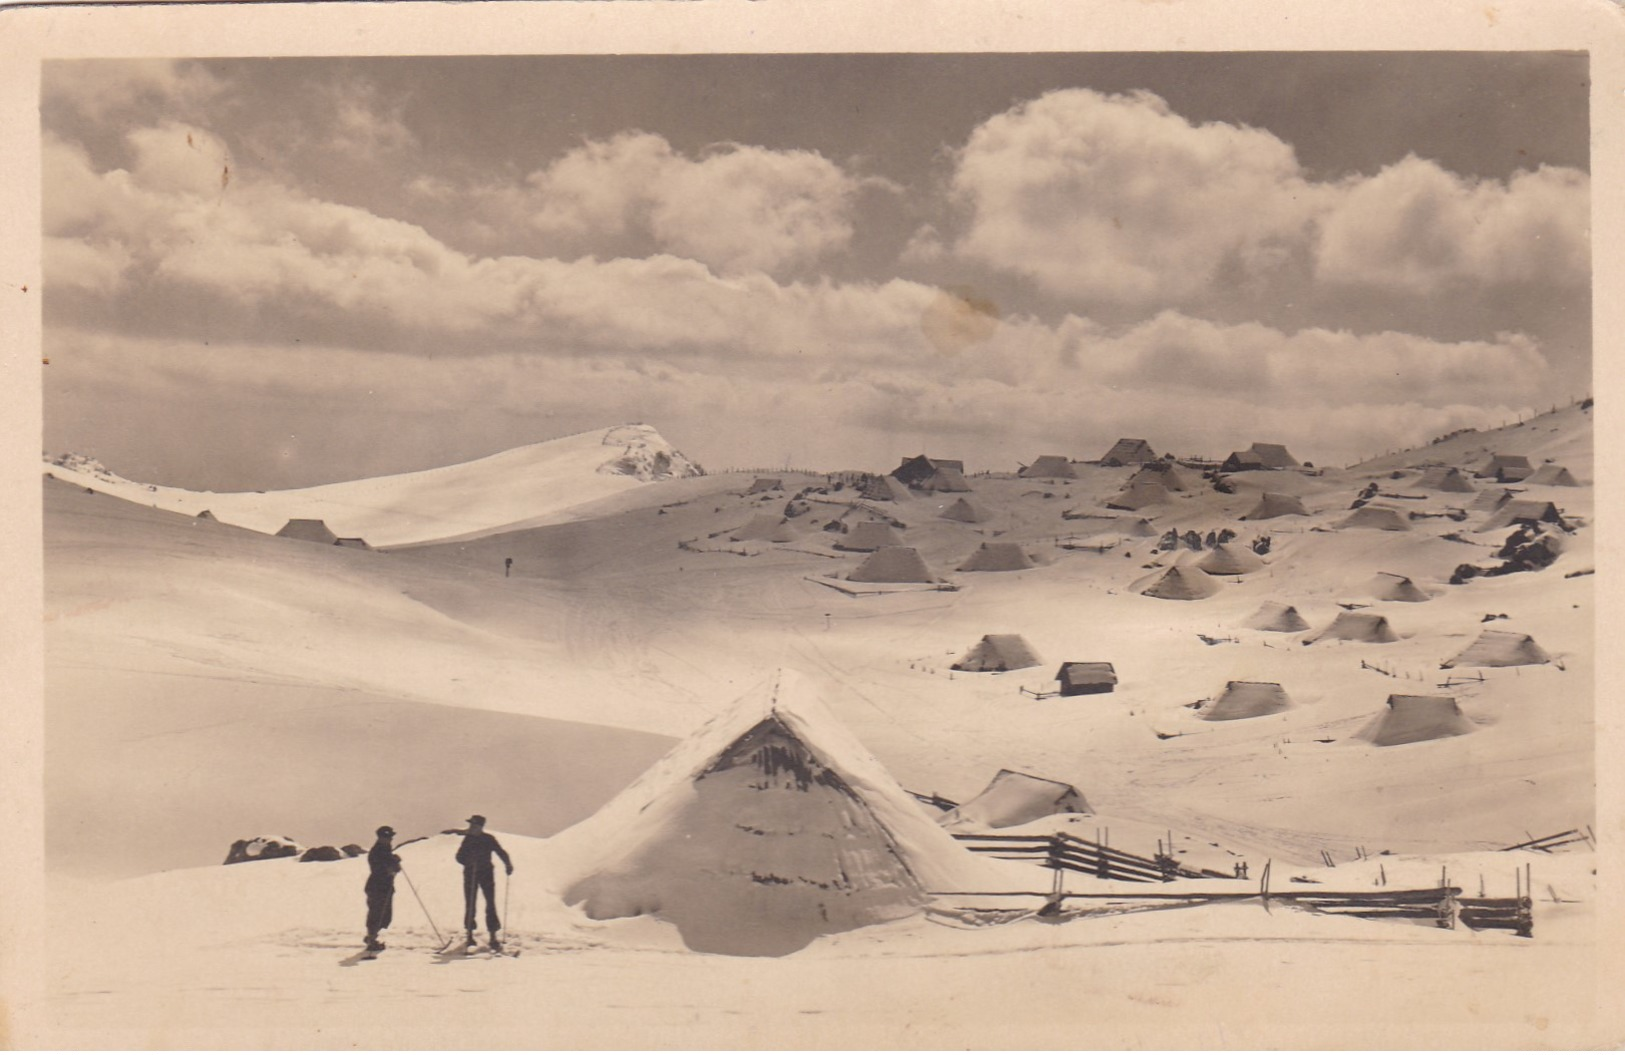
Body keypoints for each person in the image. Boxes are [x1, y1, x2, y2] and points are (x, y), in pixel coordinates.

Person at [454, 814, 513, 950]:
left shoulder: (488, 839)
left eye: (474, 825)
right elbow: (459, 857)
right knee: (470, 904)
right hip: (470, 874)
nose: (471, 827)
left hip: (486, 873)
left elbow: (500, 852)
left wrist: (508, 865)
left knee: (490, 904)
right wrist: (468, 861)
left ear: (480, 826)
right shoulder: (468, 840)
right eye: (471, 825)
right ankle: (469, 935)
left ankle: (493, 936)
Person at [363, 825, 401, 952]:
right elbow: (378, 868)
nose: (390, 839)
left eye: (391, 837)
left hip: (385, 887)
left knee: (384, 916)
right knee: (377, 914)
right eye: (388, 836)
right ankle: (371, 939)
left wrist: (395, 863)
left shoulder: (385, 850)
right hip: (377, 887)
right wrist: (391, 867)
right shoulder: (377, 851)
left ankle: (372, 937)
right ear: (381, 837)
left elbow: (392, 867)